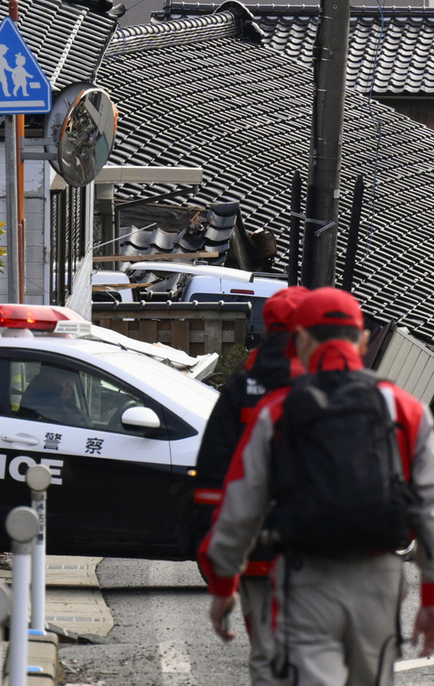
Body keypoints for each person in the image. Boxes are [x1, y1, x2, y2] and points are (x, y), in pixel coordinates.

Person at [199, 287, 434, 685]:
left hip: (304, 577)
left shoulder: (277, 411)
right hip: (379, 578)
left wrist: (223, 583)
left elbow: (240, 506)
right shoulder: (404, 407)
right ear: (361, 340)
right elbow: (433, 509)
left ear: (301, 340)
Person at [193, 285, 307, 686]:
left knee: (266, 653)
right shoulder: (334, 386)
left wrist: (220, 561)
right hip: (323, 550)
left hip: (257, 548)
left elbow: (212, 478)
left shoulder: (242, 388)